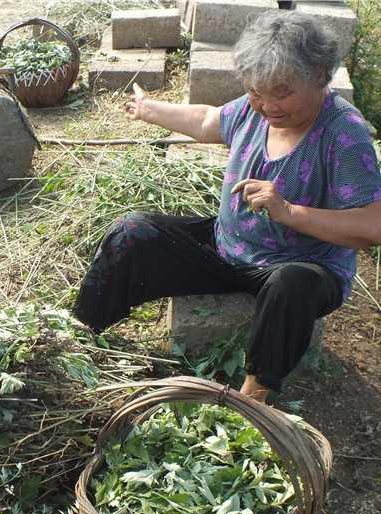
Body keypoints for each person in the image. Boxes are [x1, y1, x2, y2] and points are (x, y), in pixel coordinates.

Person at [73, 10, 381, 402]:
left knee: (292, 285)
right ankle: (80, 335)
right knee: (134, 231)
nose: (267, 105)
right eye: (256, 91)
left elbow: (373, 226)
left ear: (320, 76)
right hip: (227, 246)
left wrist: (288, 212)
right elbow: (209, 120)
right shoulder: (256, 109)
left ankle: (254, 396)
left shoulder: (344, 135)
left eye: (282, 92)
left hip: (300, 264)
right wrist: (149, 110)